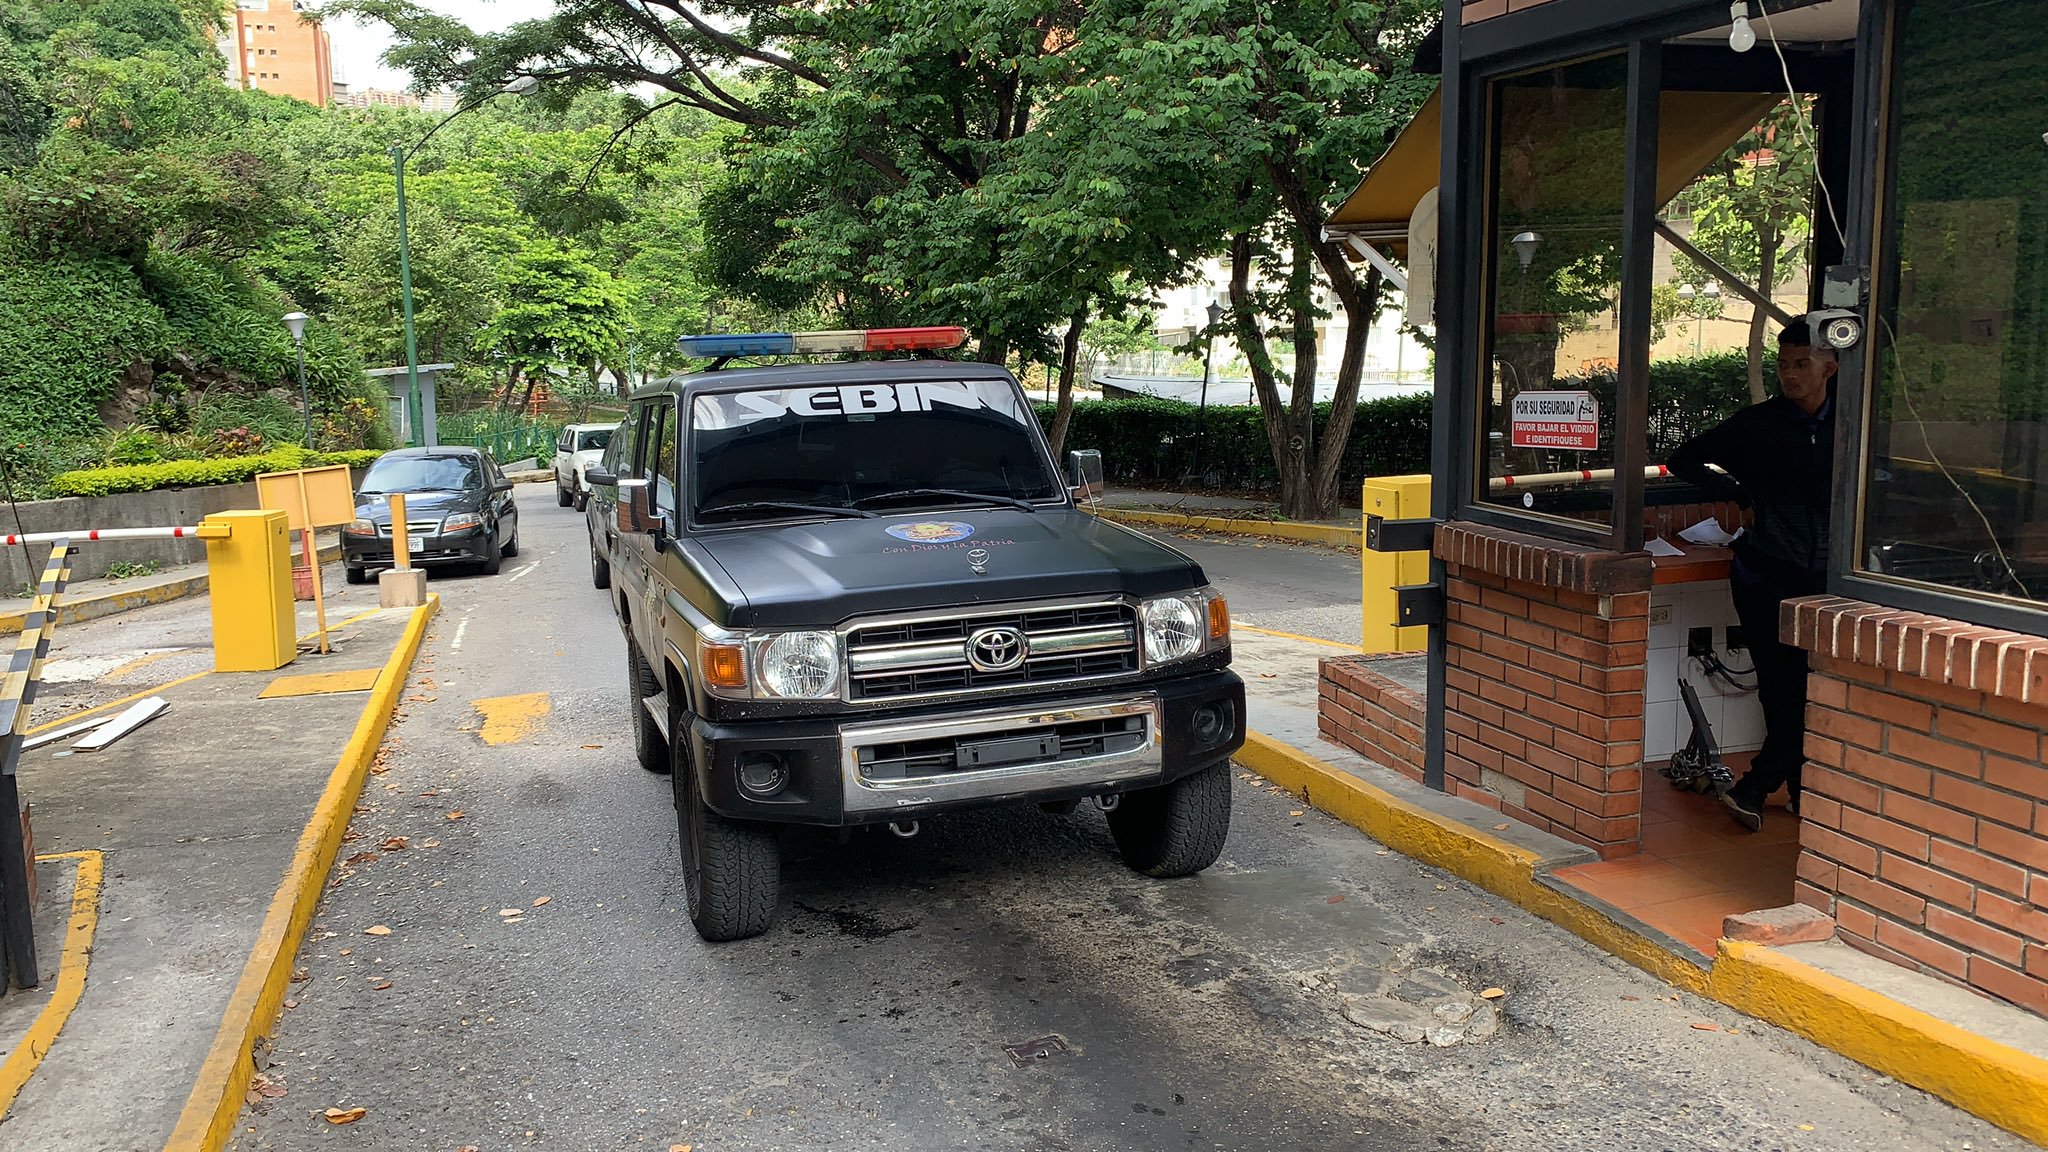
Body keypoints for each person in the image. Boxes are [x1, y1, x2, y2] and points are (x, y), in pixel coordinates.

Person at [1667, 318, 1837, 832]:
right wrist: (1741, 496)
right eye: (1783, 365)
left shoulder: (1850, 426)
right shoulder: (1758, 425)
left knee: (1814, 693)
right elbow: (1684, 458)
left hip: (1829, 582)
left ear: (1829, 367)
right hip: (1766, 576)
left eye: (1801, 365)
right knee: (1781, 690)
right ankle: (1760, 788)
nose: (1790, 375)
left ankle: (1777, 787)